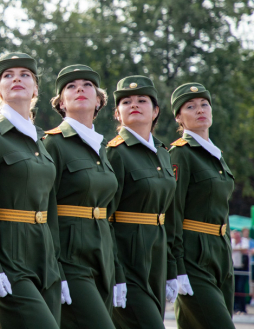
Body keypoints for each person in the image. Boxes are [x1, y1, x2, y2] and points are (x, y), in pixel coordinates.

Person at [0, 53, 61, 329]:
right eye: (8, 75)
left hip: (45, 256)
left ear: (35, 89)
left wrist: (57, 267)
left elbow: (50, 208)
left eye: (25, 75)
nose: (16, 79)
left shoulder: (41, 140)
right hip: (10, 251)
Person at [42, 64, 118, 329]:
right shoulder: (54, 143)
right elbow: (46, 206)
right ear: (61, 103)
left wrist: (115, 267)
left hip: (102, 255)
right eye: (71, 87)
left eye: (87, 85)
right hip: (70, 256)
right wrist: (55, 267)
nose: (80, 89)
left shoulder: (102, 147)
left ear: (98, 101)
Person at [106, 76, 177, 328]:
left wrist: (171, 267)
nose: (134, 104)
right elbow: (105, 217)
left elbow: (167, 216)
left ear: (155, 111)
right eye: (126, 101)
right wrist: (115, 271)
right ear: (117, 113)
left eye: (142, 100)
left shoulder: (163, 154)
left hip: (156, 257)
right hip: (128, 258)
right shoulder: (115, 152)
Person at [165, 82, 235, 329]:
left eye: (204, 104)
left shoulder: (216, 155)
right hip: (194, 256)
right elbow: (172, 212)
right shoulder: (180, 153)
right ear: (179, 117)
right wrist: (177, 266)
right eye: (190, 107)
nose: (200, 110)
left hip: (221, 252)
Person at [232, 229, 249, 313]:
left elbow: (245, 250)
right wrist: (239, 249)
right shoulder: (231, 241)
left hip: (243, 269)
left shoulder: (244, 241)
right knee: (234, 288)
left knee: (240, 288)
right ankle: (235, 307)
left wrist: (235, 249)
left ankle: (242, 308)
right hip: (234, 268)